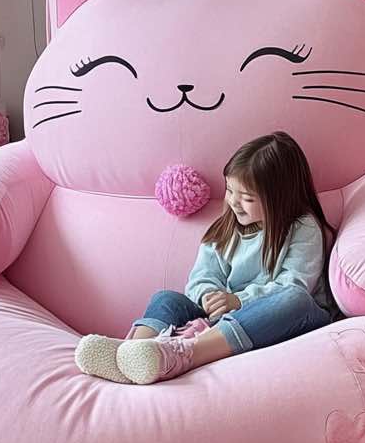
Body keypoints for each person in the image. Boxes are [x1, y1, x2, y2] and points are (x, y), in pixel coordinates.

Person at [75, 131, 336, 385]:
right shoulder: (225, 229)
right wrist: (209, 297)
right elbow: (201, 278)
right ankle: (131, 354)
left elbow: (294, 285)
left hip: (283, 318)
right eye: (230, 191)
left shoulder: (303, 227)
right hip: (221, 319)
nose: (234, 202)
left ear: (280, 199)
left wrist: (236, 301)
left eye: (246, 198)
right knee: (166, 298)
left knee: (294, 298)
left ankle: (183, 355)